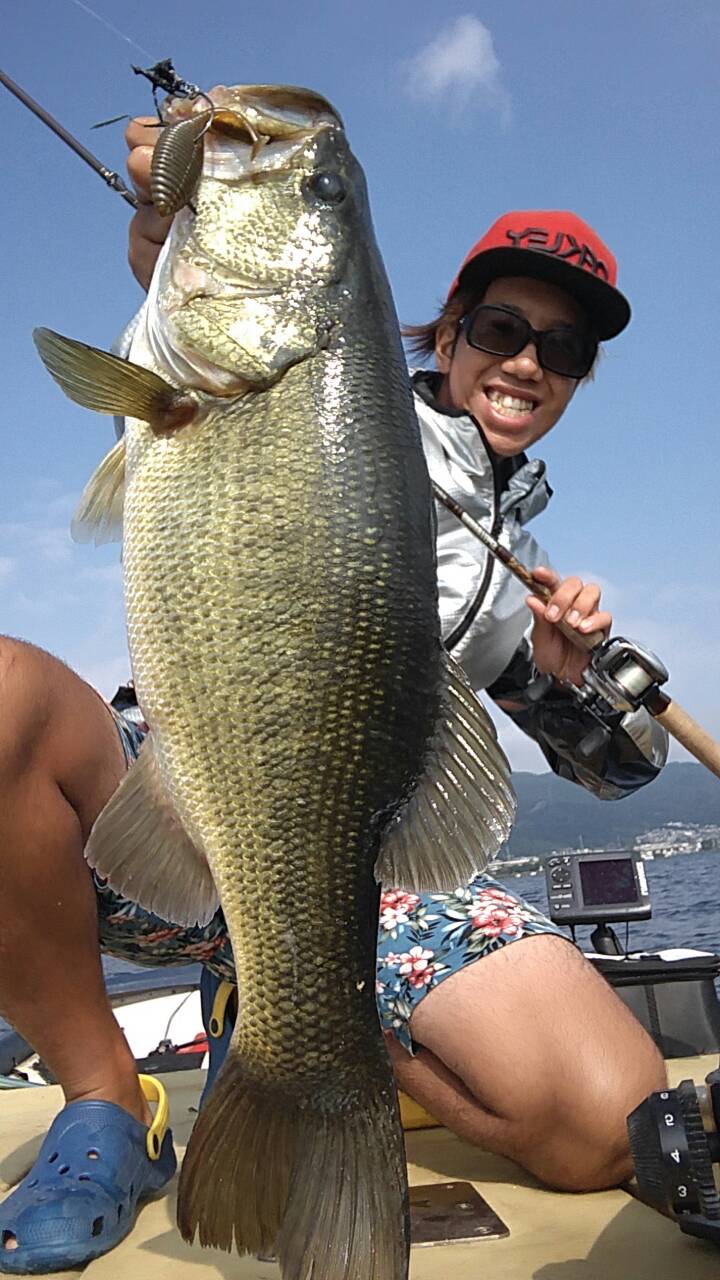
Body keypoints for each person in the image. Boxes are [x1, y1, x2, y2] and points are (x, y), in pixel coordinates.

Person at [0, 117, 668, 1273]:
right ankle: (109, 1099)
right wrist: (177, 211)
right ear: (447, 331)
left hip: (355, 872)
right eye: (502, 329)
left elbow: (620, 771)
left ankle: (305, 1021)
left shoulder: (516, 568)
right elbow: (187, 298)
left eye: (561, 349)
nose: (526, 362)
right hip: (176, 808)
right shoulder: (323, 390)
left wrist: (570, 685)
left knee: (609, 1120)